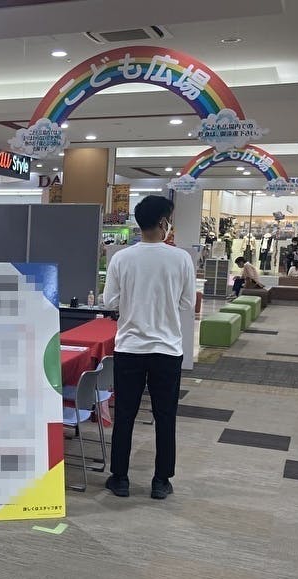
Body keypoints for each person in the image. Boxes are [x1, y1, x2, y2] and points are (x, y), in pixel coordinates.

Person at [102, 195, 196, 500]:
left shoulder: (121, 258)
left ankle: (120, 478)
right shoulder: (181, 258)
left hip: (129, 347)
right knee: (165, 416)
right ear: (162, 222)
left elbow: (109, 302)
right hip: (167, 349)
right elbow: (187, 302)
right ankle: (160, 480)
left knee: (125, 414)